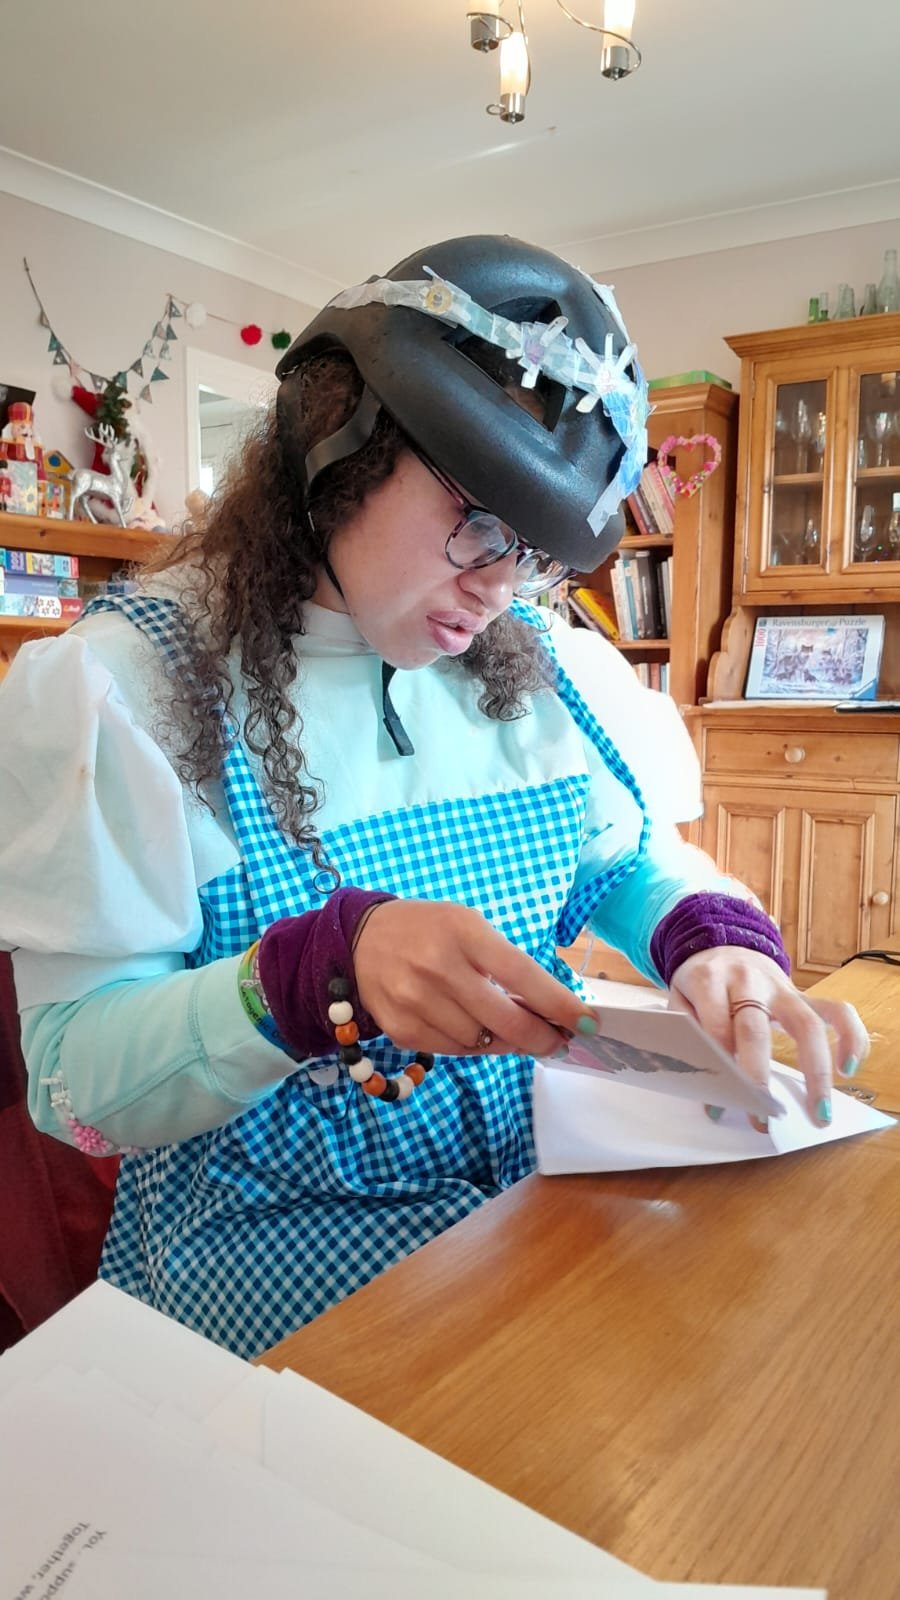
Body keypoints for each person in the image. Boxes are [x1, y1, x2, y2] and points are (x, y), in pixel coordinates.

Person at [0, 235, 866, 1358]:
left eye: (533, 549)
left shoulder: (537, 666)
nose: (500, 587)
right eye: (475, 519)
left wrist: (706, 939)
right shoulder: (130, 689)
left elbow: (616, 863)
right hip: (275, 1270)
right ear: (341, 447)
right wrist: (312, 977)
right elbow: (74, 1083)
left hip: (535, 1205)